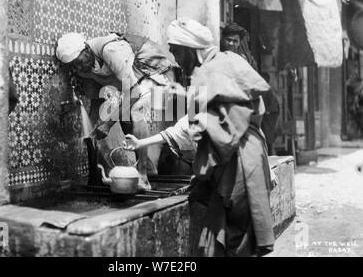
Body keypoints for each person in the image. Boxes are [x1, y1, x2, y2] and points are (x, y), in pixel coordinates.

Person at [124, 17, 275, 257]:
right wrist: (143, 141)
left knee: (235, 244)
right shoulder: (228, 61)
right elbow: (240, 109)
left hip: (240, 164)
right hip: (252, 156)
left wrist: (189, 100)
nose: (174, 57)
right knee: (223, 239)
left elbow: (209, 130)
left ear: (190, 49)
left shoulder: (207, 74)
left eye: (175, 50)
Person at [55, 32, 181, 190]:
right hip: (137, 80)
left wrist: (107, 124)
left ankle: (142, 176)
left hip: (158, 71)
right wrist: (93, 131)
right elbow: (96, 101)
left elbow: (134, 93)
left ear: (86, 49)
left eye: (80, 61)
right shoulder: (83, 70)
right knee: (125, 114)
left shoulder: (111, 50)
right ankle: (148, 167)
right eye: (74, 65)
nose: (79, 68)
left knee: (135, 110)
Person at [260, 72, 281, 155]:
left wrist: (267, 112)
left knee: (268, 140)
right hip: (265, 118)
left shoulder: (268, 91)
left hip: (268, 119)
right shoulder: (262, 90)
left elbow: (274, 108)